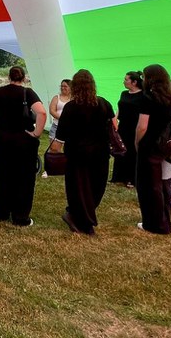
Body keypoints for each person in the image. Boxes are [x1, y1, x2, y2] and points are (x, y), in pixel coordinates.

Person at [0, 66, 46, 226]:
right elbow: (41, 112)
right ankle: (20, 216)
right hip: (23, 139)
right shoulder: (27, 93)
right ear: (24, 78)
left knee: (3, 175)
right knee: (24, 178)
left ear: (9, 77)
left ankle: (0, 213)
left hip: (3, 138)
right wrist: (36, 132)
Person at [53, 69, 115, 235]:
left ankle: (78, 217)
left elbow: (61, 134)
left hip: (77, 153)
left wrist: (56, 148)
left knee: (78, 188)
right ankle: (82, 219)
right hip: (100, 153)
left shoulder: (71, 107)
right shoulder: (104, 103)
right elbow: (113, 126)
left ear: (75, 86)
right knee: (96, 187)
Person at [135, 64, 171, 234]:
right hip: (165, 146)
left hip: (150, 145)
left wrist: (137, 143)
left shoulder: (147, 98)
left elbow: (142, 127)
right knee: (163, 184)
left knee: (148, 186)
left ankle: (154, 224)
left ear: (150, 78)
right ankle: (165, 222)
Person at [110, 71, 143, 187]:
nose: (124, 81)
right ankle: (118, 176)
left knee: (132, 152)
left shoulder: (143, 95)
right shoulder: (124, 94)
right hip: (123, 126)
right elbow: (119, 109)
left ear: (134, 82)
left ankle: (131, 178)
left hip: (135, 127)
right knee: (120, 149)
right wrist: (115, 121)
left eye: (126, 79)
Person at [48, 79, 71, 146]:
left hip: (69, 127)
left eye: (65, 86)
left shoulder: (74, 98)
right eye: (61, 86)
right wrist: (62, 119)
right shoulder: (56, 97)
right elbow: (52, 111)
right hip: (56, 126)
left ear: (71, 87)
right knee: (54, 147)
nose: (62, 88)